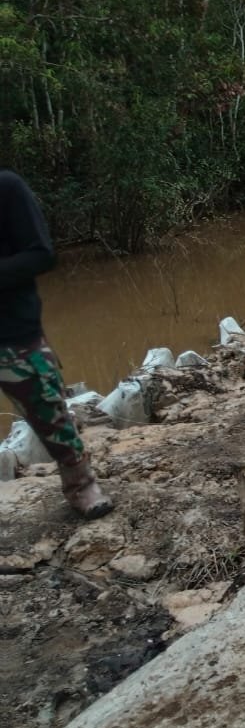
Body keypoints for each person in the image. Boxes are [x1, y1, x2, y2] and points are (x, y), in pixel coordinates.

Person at [0, 170, 113, 518]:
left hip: (12, 331)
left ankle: (81, 484)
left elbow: (42, 253)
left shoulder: (7, 188)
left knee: (49, 411)